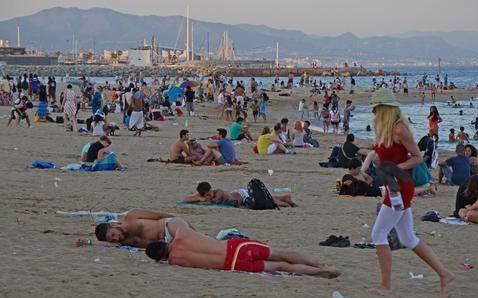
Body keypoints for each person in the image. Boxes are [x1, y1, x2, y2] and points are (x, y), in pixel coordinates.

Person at [369, 89, 454, 297]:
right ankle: (444, 274)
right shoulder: (384, 129)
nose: (373, 112)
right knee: (407, 238)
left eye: (376, 108)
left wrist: (396, 168)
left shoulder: (399, 130)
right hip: (393, 185)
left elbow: (417, 157)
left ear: (384, 109)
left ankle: (386, 286)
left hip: (400, 186)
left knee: (378, 234)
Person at [145, 222, 338, 277]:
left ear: (161, 258)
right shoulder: (182, 233)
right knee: (280, 253)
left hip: (233, 264)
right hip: (235, 247)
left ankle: (321, 272)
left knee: (282, 266)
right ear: (163, 241)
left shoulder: (176, 261)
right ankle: (320, 264)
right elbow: (174, 220)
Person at [76, 208, 177, 248]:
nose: (116, 238)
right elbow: (106, 244)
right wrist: (86, 242)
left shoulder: (131, 216)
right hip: (169, 244)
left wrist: (179, 221)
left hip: (168, 227)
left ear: (112, 225)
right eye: (113, 239)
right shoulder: (124, 242)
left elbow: (159, 215)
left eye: (113, 234)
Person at [183, 181, 297, 208]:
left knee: (266, 200)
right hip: (239, 194)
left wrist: (203, 200)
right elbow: (185, 199)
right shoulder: (204, 195)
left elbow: (216, 201)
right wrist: (198, 198)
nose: (209, 195)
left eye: (209, 193)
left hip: (242, 196)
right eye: (206, 194)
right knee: (268, 197)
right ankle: (284, 197)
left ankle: (285, 203)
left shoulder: (218, 192)